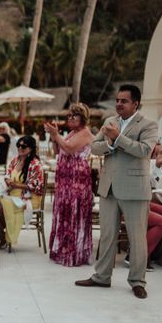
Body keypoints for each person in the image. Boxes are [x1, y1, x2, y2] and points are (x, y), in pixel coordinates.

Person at [75, 84, 157, 299]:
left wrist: (118, 138)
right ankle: (102, 277)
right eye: (118, 100)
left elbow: (145, 151)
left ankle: (137, 281)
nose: (119, 104)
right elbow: (94, 147)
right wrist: (110, 143)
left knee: (137, 237)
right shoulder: (109, 122)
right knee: (107, 235)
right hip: (109, 187)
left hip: (135, 190)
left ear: (135, 103)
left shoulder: (148, 125)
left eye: (124, 101)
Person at [45, 103, 95, 267]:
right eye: (69, 115)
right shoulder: (73, 132)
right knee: (65, 211)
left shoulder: (85, 133)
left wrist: (56, 135)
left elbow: (69, 148)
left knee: (74, 212)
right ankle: (63, 248)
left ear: (83, 117)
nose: (70, 118)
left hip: (77, 178)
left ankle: (74, 253)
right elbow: (59, 150)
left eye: (75, 115)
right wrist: (55, 137)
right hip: (66, 178)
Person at [0, 136, 44, 248]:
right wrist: (8, 179)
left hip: (29, 198)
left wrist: (15, 185)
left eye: (23, 146)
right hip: (13, 195)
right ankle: (3, 236)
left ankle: (4, 237)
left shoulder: (36, 164)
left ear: (31, 148)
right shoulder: (15, 160)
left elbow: (36, 185)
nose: (20, 147)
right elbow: (7, 173)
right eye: (18, 145)